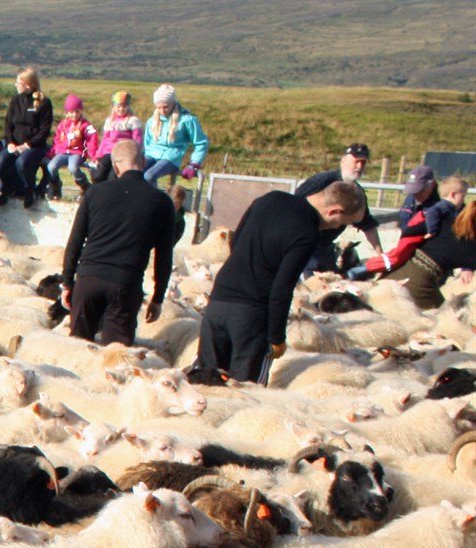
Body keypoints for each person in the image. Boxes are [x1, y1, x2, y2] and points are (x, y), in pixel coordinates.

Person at [195, 179, 365, 383]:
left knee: (206, 381)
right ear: (334, 211)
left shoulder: (270, 199)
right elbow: (282, 288)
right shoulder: (307, 233)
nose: (338, 227)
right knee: (245, 390)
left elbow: (236, 241)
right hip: (252, 314)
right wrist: (277, 338)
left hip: (218, 301)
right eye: (343, 223)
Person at [60, 141, 183, 346]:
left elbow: (75, 241)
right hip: (125, 283)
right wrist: (157, 298)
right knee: (116, 355)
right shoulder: (161, 202)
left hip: (89, 279)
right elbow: (164, 256)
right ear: (142, 162)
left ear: (115, 166)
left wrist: (67, 282)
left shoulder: (95, 193)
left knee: (78, 350)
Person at [356, 173, 466, 278]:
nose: (416, 195)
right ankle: (363, 269)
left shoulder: (449, 208)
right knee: (396, 258)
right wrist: (431, 230)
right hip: (415, 240)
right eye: (463, 195)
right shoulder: (442, 207)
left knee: (396, 258)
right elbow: (428, 216)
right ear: (453, 194)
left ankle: (364, 269)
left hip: (424, 247)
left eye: (418, 191)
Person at [295, 143, 380, 275]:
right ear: (344, 161)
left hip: (326, 248)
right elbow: (294, 206)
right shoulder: (321, 182)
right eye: (356, 161)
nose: (359, 166)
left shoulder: (356, 193)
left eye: (363, 163)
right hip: (304, 244)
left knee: (334, 281)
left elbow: (367, 225)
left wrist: (381, 256)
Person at [383, 195, 476, 311]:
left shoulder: (443, 221)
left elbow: (409, 231)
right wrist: (467, 268)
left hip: (395, 272)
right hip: (416, 284)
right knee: (445, 316)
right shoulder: (471, 246)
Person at [0, 67, 52, 208]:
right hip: (14, 144)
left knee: (22, 163)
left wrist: (27, 145)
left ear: (28, 84)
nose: (16, 85)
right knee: (2, 161)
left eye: (18, 82)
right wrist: (10, 142)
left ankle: (29, 190)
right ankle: (7, 188)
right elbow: (8, 124)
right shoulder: (15, 101)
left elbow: (44, 131)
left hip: (34, 146)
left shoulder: (44, 103)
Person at [142, 85, 206, 184]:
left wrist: (194, 164)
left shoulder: (187, 120)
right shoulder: (151, 121)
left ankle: (152, 194)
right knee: (134, 172)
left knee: (149, 176)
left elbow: (200, 143)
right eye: (159, 107)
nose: (162, 111)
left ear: (173, 103)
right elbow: (147, 142)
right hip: (151, 154)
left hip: (171, 158)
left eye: (166, 107)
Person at [44, 94, 95, 200]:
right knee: (51, 166)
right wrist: (52, 152)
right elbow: (57, 140)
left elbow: (92, 139)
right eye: (71, 112)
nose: (74, 115)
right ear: (67, 112)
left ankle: (85, 185)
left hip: (77, 153)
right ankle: (55, 183)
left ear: (81, 111)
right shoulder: (63, 124)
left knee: (73, 167)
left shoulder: (86, 125)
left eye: (77, 112)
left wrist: (93, 154)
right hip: (63, 152)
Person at [91, 90, 142, 184]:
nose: (121, 109)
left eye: (124, 106)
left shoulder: (133, 121)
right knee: (100, 173)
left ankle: (110, 189)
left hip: (122, 153)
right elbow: (105, 139)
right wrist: (98, 155)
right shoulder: (110, 121)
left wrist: (135, 155)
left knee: (113, 176)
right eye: (119, 106)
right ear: (114, 107)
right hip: (108, 152)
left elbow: (137, 140)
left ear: (128, 107)